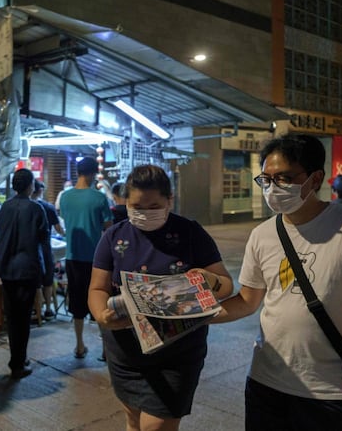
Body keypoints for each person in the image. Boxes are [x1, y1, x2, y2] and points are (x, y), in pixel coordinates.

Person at [213, 134, 342, 430]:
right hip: (265, 386)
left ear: (315, 178)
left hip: (334, 395)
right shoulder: (262, 234)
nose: (273, 188)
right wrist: (192, 317)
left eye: (284, 177)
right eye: (266, 179)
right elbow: (248, 300)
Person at [88, 165, 234, 431]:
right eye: (136, 207)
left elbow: (225, 286)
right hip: (125, 352)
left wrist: (207, 279)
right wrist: (101, 316)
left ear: (170, 200)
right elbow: (97, 288)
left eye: (153, 206)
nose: (144, 214)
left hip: (178, 352)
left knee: (154, 427)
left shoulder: (191, 233)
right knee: (132, 419)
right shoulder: (113, 237)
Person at [0, 169, 50, 379]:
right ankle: (18, 363)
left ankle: (16, 358)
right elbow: (44, 240)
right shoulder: (36, 209)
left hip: (7, 268)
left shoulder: (5, 208)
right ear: (30, 186)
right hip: (28, 269)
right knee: (24, 318)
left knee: (12, 317)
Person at [59, 157, 113, 358]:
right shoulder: (99, 198)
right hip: (96, 259)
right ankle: (107, 349)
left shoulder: (65, 197)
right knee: (100, 301)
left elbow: (67, 220)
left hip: (72, 257)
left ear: (78, 172)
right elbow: (108, 229)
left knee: (77, 302)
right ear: (92, 174)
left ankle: (79, 345)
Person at [31, 180, 63, 319]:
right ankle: (48, 309)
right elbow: (58, 229)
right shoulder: (48, 207)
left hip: (31, 248)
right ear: (39, 190)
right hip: (45, 246)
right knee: (48, 279)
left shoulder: (27, 206)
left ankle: (36, 311)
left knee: (36, 281)